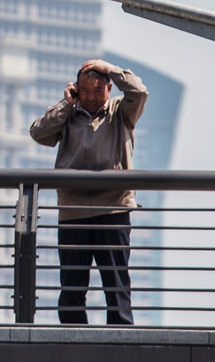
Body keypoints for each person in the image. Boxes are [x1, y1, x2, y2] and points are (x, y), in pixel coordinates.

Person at [29, 58, 148, 325]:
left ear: (108, 89)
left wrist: (110, 69)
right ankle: (73, 340)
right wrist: (66, 105)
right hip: (74, 210)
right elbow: (39, 133)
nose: (91, 98)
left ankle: (120, 342)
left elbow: (139, 91)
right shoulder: (69, 111)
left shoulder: (122, 111)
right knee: (72, 288)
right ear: (75, 90)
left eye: (97, 91)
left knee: (116, 286)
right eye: (84, 91)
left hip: (113, 208)